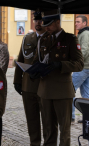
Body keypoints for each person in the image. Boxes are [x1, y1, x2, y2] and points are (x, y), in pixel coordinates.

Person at [31, 14, 84, 146]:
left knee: (64, 131)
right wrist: (34, 71)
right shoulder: (43, 39)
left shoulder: (70, 39)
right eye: (45, 25)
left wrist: (61, 65)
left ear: (57, 22)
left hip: (62, 91)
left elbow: (79, 64)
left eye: (49, 25)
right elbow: (36, 60)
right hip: (45, 91)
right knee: (48, 129)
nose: (46, 28)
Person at [14, 11, 48, 146]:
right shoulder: (27, 38)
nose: (38, 23)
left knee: (47, 120)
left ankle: (48, 143)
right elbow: (20, 59)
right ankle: (34, 143)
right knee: (32, 120)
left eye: (40, 20)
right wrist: (17, 80)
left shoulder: (50, 38)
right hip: (28, 86)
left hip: (45, 86)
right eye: (36, 20)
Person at [72, 15, 89, 123]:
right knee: (86, 94)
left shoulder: (85, 34)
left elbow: (84, 50)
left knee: (69, 90)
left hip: (83, 68)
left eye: (78, 21)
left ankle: (71, 116)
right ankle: (87, 117)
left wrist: (76, 63)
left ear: (84, 23)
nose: (76, 23)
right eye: (75, 21)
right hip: (86, 67)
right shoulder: (83, 33)